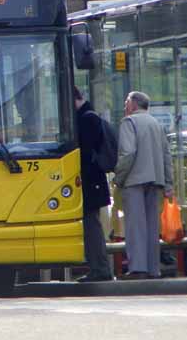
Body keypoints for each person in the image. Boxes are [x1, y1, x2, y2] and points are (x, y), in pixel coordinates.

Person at [114, 91, 174, 280]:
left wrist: (119, 177)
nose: (125, 107)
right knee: (151, 226)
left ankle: (138, 268)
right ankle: (153, 268)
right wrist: (168, 183)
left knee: (135, 226)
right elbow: (166, 155)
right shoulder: (156, 124)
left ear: (133, 104)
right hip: (156, 180)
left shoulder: (129, 123)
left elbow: (128, 153)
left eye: (126, 103)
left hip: (134, 180)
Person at [73, 86, 113, 282]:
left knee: (92, 226)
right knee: (91, 225)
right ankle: (98, 268)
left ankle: (100, 269)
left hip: (90, 182)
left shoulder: (86, 118)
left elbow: (86, 152)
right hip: (93, 181)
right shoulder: (89, 116)